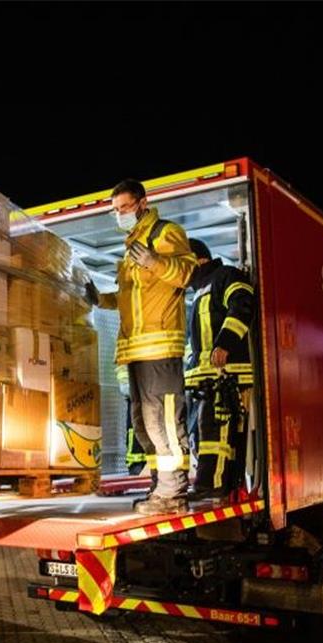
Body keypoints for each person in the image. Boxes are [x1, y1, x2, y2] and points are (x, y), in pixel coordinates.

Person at [84, 180, 197, 513]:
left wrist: (154, 262)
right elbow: (129, 298)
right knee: (144, 423)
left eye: (126, 207)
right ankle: (159, 489)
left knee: (162, 421)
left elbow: (186, 272)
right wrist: (99, 299)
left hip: (160, 346)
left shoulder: (165, 233)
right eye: (116, 210)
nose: (120, 214)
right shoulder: (130, 245)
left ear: (143, 203)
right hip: (135, 350)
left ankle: (174, 493)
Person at [184, 239, 257, 501]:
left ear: (196, 258)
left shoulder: (225, 276)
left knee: (215, 435)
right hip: (206, 377)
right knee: (207, 434)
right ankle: (218, 482)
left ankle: (211, 485)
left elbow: (242, 303)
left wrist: (225, 343)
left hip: (225, 374)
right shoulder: (199, 289)